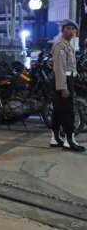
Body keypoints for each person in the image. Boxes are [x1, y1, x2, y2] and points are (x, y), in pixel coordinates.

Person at [50, 19, 85, 152]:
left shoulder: (67, 45)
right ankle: (69, 141)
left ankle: (55, 138)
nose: (71, 31)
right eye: (68, 28)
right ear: (62, 30)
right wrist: (63, 87)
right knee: (67, 111)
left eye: (73, 29)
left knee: (58, 110)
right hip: (63, 80)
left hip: (66, 79)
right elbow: (59, 68)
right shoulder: (61, 45)